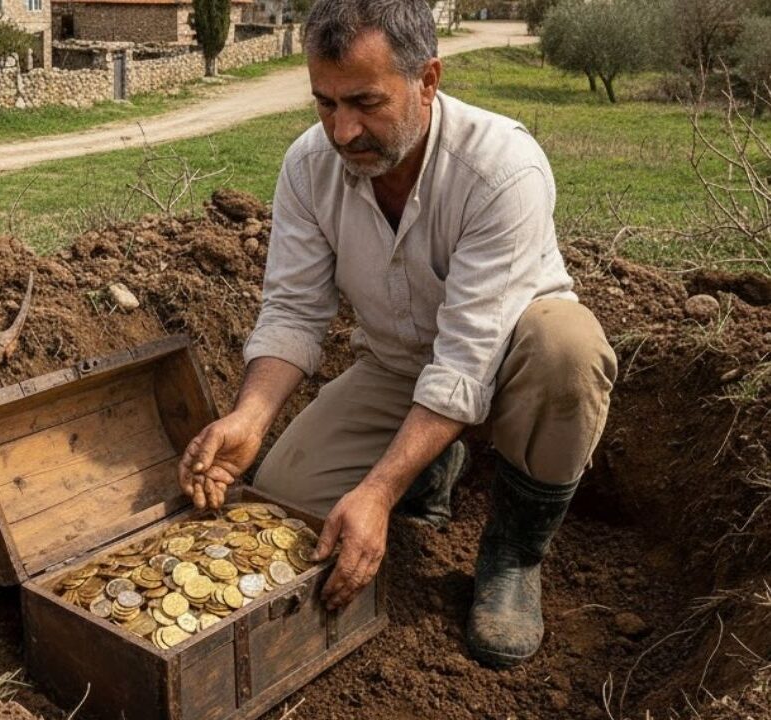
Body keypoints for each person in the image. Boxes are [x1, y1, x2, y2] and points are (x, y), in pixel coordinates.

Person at [176, 0, 617, 668]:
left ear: (427, 80)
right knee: (286, 502)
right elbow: (294, 311)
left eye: (365, 102)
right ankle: (430, 467)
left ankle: (513, 553)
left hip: (513, 365)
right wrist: (251, 417)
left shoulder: (502, 167)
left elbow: (468, 358)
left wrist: (377, 492)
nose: (342, 130)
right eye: (325, 103)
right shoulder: (308, 167)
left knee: (569, 350)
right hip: (398, 366)